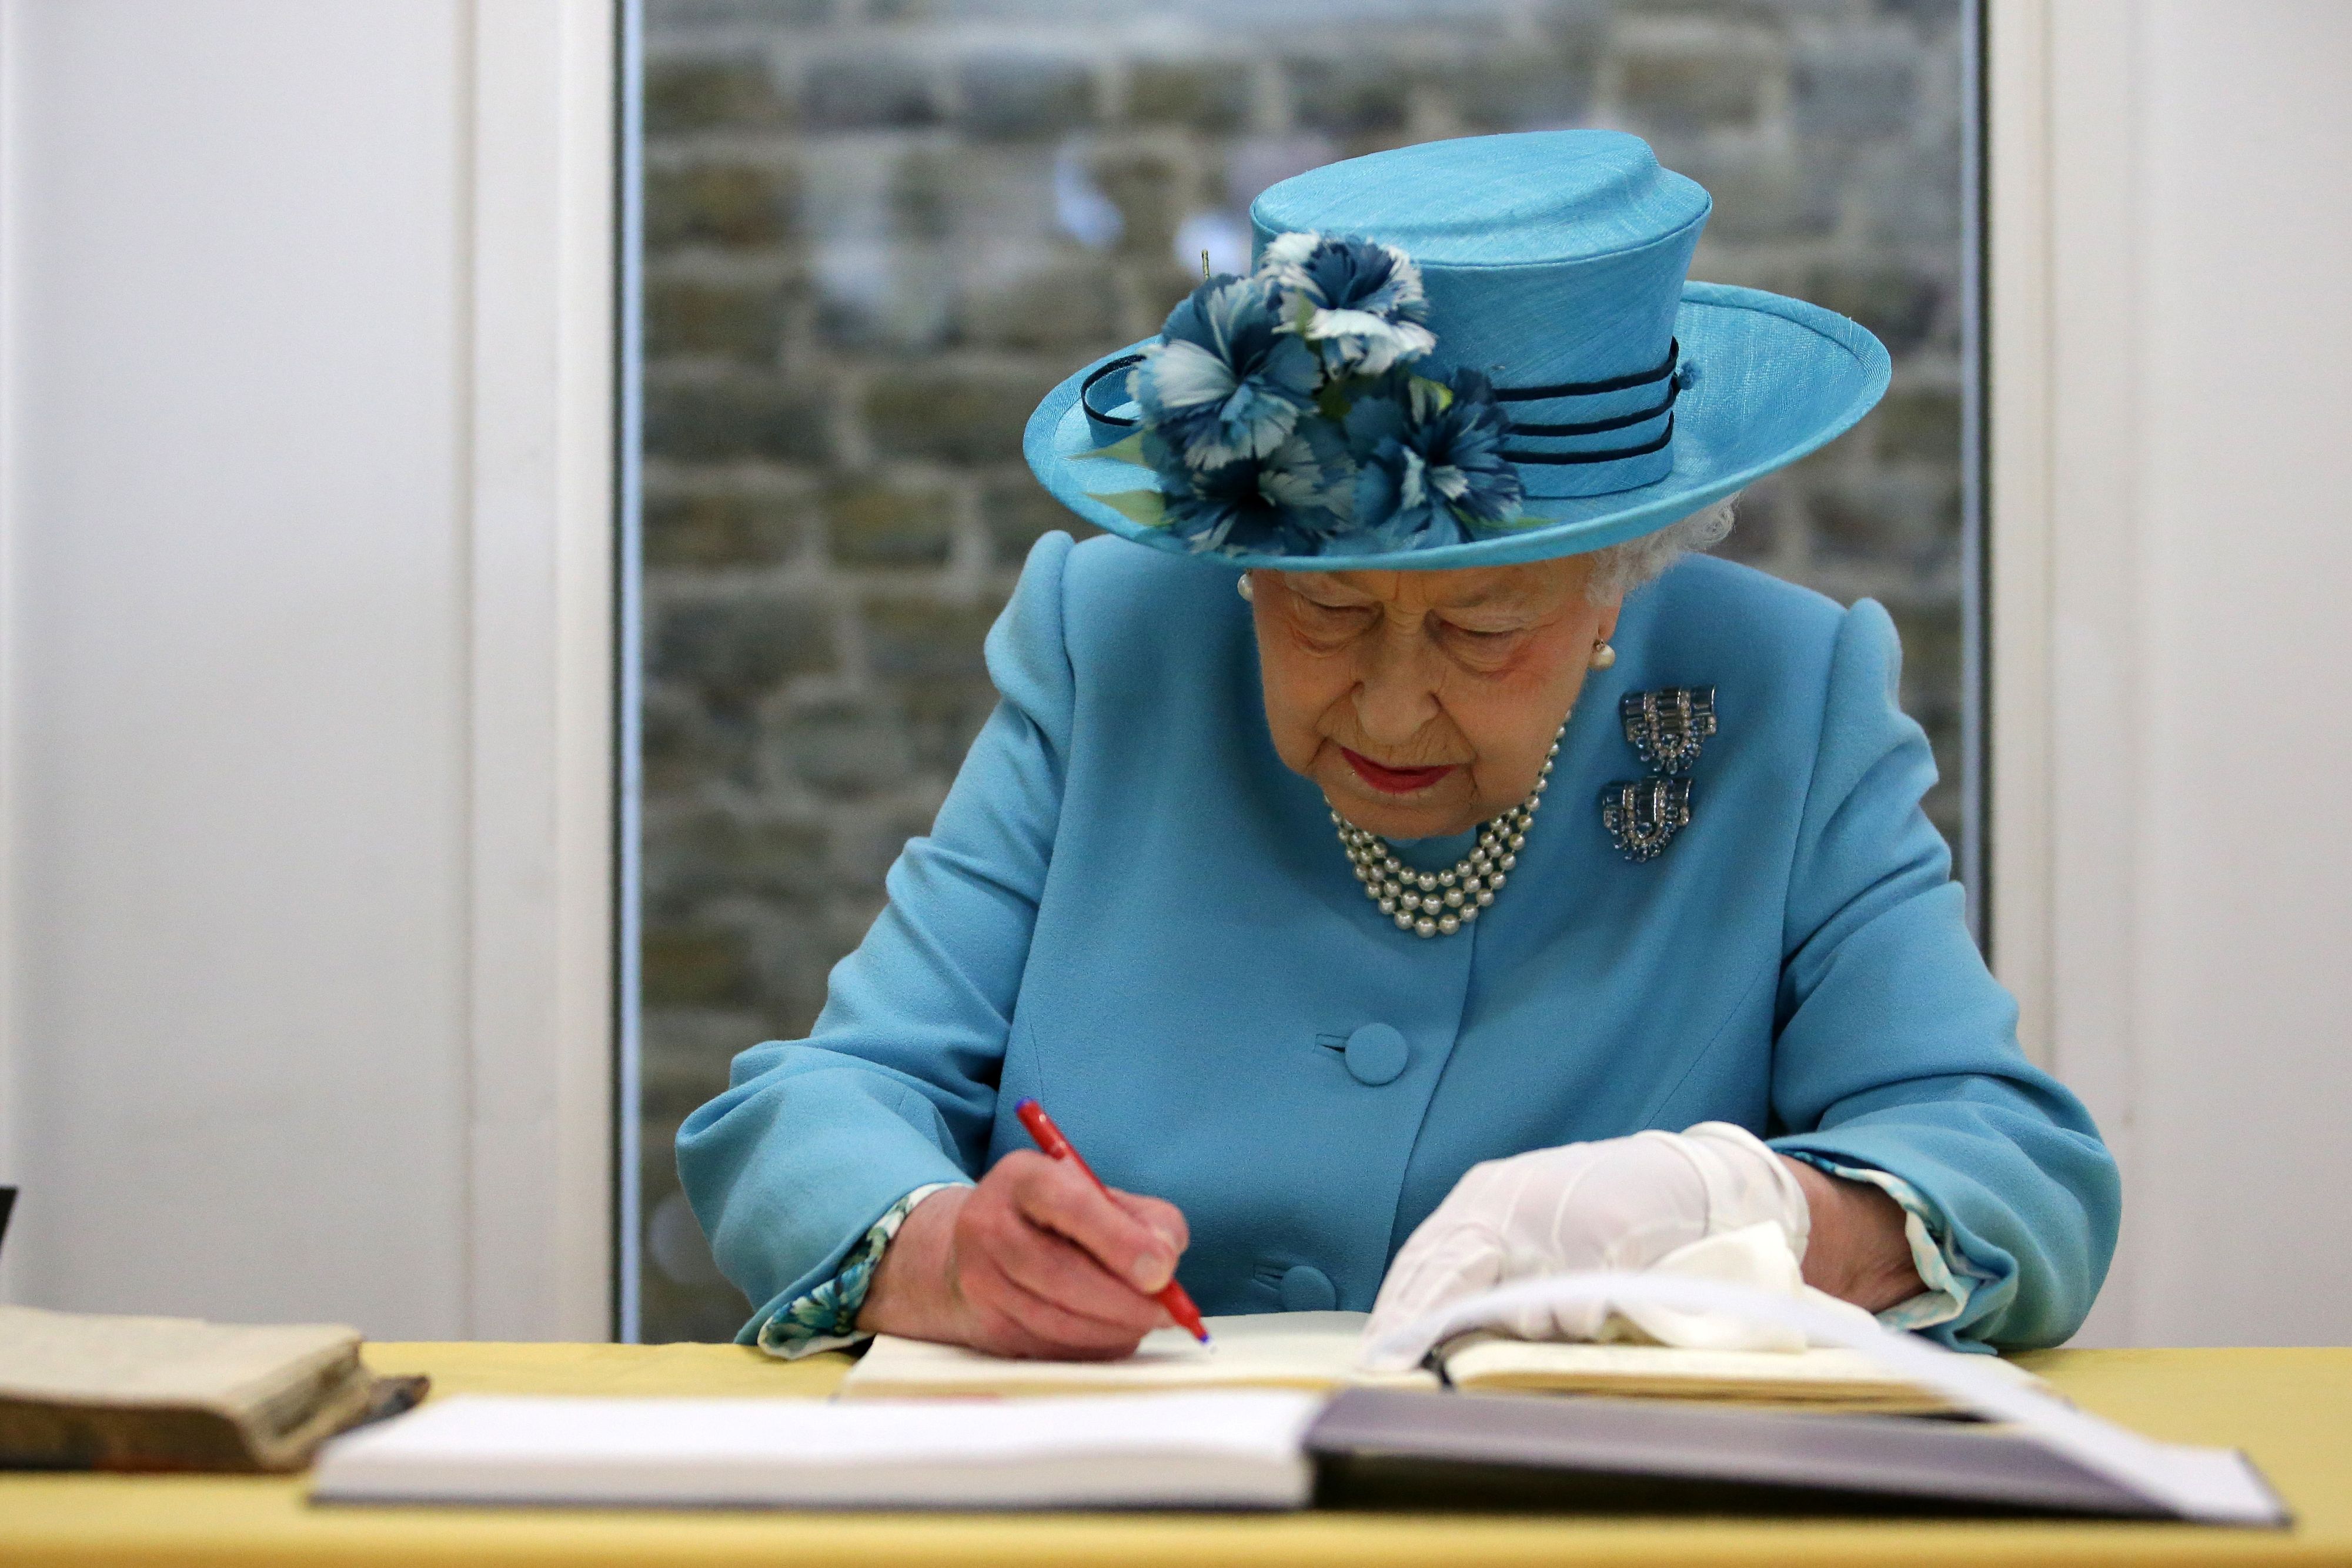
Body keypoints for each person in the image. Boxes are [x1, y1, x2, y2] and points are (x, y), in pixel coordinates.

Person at [678, 129, 2120, 1363]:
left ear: (1618, 577)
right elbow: (812, 1105)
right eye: (1320, 608)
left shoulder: (1776, 696)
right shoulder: (1114, 640)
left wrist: (1749, 1217)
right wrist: (944, 1250)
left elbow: (2013, 1169)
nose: (1382, 705)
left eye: (1483, 631)